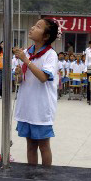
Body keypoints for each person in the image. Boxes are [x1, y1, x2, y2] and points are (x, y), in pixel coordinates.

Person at [14, 19, 58, 167]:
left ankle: (45, 178)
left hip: (41, 108)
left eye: (38, 27)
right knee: (30, 145)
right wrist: (18, 74)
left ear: (45, 36)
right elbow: (21, 80)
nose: (32, 28)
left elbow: (43, 77)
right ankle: (31, 176)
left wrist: (26, 61)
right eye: (34, 25)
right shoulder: (26, 52)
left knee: (43, 145)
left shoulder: (50, 55)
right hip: (27, 106)